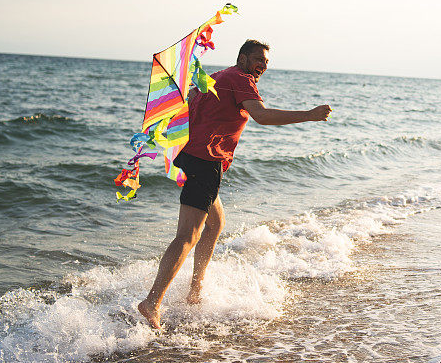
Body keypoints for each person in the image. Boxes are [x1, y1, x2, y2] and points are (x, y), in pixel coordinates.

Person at [138, 39, 332, 330]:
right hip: (205, 161)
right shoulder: (241, 80)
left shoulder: (219, 76)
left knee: (215, 224)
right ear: (242, 58)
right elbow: (262, 116)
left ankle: (195, 291)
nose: (262, 66)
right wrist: (310, 115)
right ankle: (152, 303)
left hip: (191, 156)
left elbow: (189, 99)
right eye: (258, 60)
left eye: (266, 63)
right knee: (188, 235)